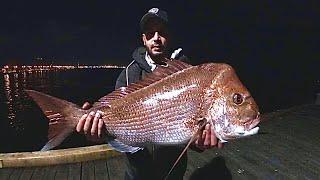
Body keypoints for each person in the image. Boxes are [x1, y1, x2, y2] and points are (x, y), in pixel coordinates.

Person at [76, 8, 223, 180]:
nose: (156, 38)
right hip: (137, 174)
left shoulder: (189, 75)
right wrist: (96, 131)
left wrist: (200, 143)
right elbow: (111, 122)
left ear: (170, 36)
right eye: (150, 33)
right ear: (144, 39)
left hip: (173, 174)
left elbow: (190, 131)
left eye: (162, 32)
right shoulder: (128, 74)